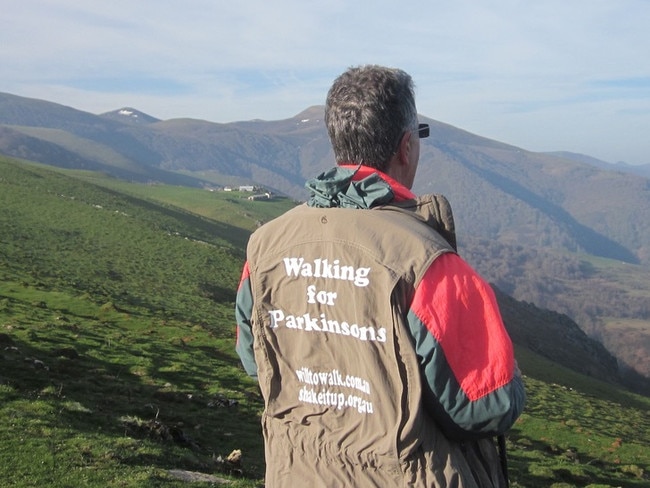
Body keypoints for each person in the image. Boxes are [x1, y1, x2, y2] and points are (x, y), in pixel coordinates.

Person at [235, 64, 525, 487]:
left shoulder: (264, 250)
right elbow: (485, 407)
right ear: (407, 146)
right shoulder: (428, 263)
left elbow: (253, 358)